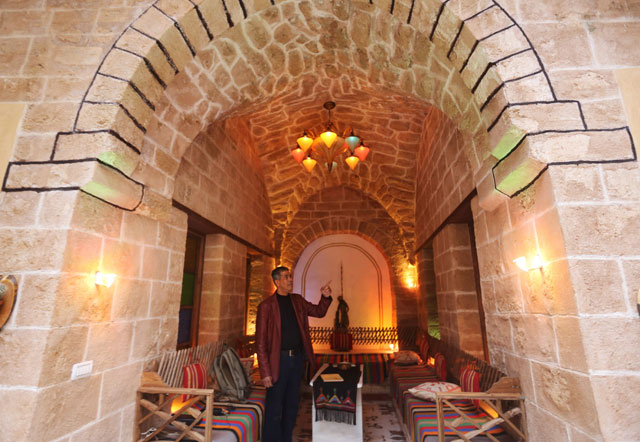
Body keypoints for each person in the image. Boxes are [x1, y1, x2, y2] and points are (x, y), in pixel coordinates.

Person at [256, 266, 332, 442]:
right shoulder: (266, 306)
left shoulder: (297, 301)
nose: (290, 280)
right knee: (275, 408)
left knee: (291, 406)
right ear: (276, 282)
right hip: (278, 362)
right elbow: (260, 343)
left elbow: (318, 311)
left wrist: (326, 297)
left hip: (297, 360)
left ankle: (286, 439)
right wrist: (265, 372)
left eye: (290, 276)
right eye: (286, 277)